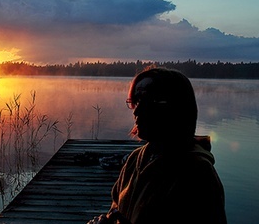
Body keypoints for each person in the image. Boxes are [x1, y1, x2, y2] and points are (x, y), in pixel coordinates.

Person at [88, 66, 227, 224]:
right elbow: (116, 209)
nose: (136, 111)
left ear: (177, 109)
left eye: (149, 102)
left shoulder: (198, 173)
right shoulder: (135, 160)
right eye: (137, 100)